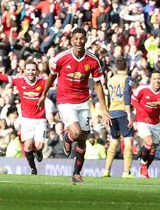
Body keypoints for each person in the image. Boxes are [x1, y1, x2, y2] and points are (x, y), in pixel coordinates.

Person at [38, 27, 111, 183]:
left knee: (83, 138)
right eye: (76, 38)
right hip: (65, 101)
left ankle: (76, 173)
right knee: (76, 133)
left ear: (86, 39)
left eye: (82, 38)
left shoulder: (92, 60)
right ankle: (68, 136)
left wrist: (104, 110)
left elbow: (98, 85)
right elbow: (51, 76)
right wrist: (44, 94)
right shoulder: (61, 58)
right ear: (71, 40)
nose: (79, 41)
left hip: (83, 101)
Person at [0, 60, 47, 175]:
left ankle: (39, 152)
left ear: (37, 71)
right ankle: (33, 169)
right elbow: (3, 78)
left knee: (39, 146)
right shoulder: (20, 80)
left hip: (40, 119)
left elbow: (57, 78)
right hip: (26, 119)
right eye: (28, 69)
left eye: (33, 70)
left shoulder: (43, 81)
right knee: (27, 146)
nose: (31, 72)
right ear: (24, 71)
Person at [131, 70, 160, 179]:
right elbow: (133, 100)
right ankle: (143, 165)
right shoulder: (143, 89)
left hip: (155, 122)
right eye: (154, 78)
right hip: (142, 120)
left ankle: (144, 170)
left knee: (153, 150)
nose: (156, 81)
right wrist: (141, 111)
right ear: (151, 79)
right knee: (148, 143)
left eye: (159, 78)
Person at [102, 57, 135, 178]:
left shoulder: (110, 80)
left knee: (114, 141)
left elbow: (108, 97)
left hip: (112, 112)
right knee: (128, 141)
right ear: (127, 66)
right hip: (122, 112)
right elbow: (126, 95)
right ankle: (126, 172)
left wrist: (106, 113)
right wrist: (129, 115)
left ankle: (106, 170)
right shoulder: (127, 79)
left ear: (116, 67)